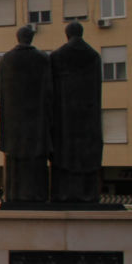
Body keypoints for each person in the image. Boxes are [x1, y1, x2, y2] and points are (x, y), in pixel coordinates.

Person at [0, 25, 52, 204]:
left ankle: (13, 194)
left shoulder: (7, 59)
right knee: (36, 159)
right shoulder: (43, 58)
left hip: (13, 120)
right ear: (32, 37)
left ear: (18, 37)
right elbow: (50, 88)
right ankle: (38, 195)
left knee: (14, 160)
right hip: (36, 119)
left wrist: (5, 106)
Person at [49, 21, 103, 203]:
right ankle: (88, 194)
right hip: (88, 113)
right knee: (86, 155)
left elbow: (50, 86)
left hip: (65, 113)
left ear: (67, 34)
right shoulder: (93, 55)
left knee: (65, 155)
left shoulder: (57, 55)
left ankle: (63, 193)